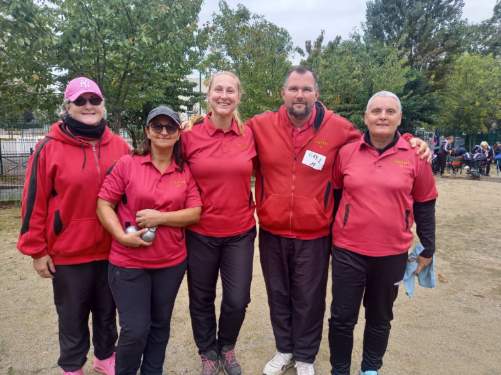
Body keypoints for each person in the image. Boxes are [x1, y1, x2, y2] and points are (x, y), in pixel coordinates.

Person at [247, 66, 431, 375]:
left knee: (309, 297)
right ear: (283, 93)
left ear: (316, 94)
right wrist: (195, 122)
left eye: (306, 89)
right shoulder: (260, 125)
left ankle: (305, 356)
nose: (300, 95)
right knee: (278, 294)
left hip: (315, 232)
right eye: (293, 89)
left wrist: (412, 140)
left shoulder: (338, 127)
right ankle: (284, 349)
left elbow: (377, 139)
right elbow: (230, 134)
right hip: (272, 229)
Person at [17, 76, 130, 375]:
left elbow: (130, 197)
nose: (88, 106)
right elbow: (33, 202)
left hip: (110, 249)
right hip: (68, 252)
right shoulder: (48, 147)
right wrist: (36, 250)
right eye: (80, 101)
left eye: (94, 99)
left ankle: (105, 357)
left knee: (107, 312)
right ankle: (72, 365)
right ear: (68, 106)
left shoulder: (120, 147)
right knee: (72, 316)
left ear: (103, 104)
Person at [328, 91, 437, 375]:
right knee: (342, 318)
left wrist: (429, 247)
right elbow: (338, 196)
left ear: (400, 118)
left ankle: (370, 369)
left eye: (390, 111)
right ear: (365, 117)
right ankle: (339, 369)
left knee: (379, 317)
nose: (383, 116)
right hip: (348, 250)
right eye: (376, 111)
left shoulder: (416, 155)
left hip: (391, 253)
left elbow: (425, 202)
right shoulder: (347, 153)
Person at [96, 105, 202, 375]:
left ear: (179, 134)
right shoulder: (128, 163)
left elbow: (195, 212)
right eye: (158, 126)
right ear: (147, 131)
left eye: (170, 127)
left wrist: (160, 218)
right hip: (128, 261)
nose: (164, 132)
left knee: (159, 325)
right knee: (135, 328)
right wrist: (120, 236)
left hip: (170, 262)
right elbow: (104, 204)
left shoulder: (184, 171)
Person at [182, 71, 256, 375]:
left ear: (239, 97)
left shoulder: (250, 134)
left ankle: (226, 345)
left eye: (230, 91)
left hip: (239, 231)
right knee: (201, 297)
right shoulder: (188, 136)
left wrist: (409, 139)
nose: (224, 95)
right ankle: (208, 351)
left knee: (238, 299)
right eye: (218, 90)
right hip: (200, 231)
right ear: (208, 94)